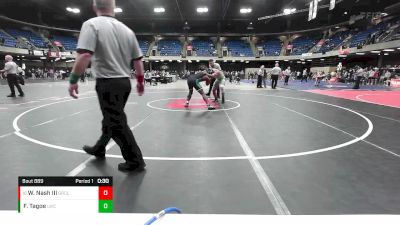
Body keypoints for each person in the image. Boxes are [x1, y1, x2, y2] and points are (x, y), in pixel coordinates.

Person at [68, 0, 146, 172]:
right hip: (124, 82)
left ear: (95, 7)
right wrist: (140, 81)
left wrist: (73, 79)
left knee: (116, 121)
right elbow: (138, 61)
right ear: (113, 8)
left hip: (107, 82)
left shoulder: (91, 25)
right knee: (111, 118)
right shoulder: (128, 30)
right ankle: (99, 147)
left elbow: (84, 55)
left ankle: (135, 160)